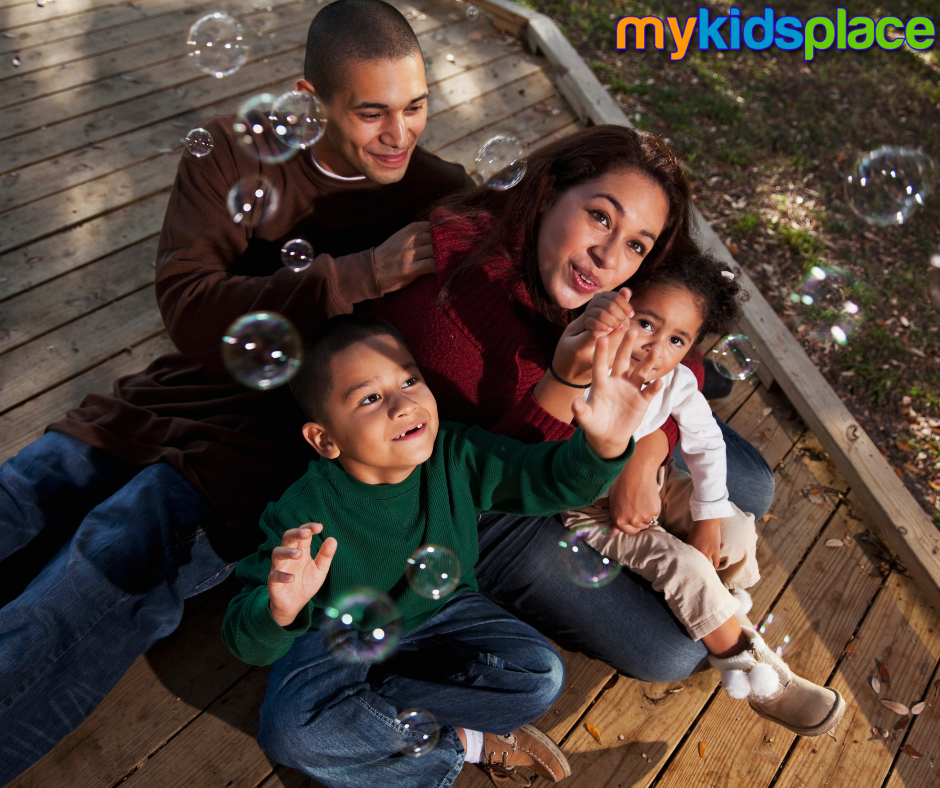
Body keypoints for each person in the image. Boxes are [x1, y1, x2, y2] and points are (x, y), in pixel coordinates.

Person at [0, 0, 472, 778]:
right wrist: (356, 276)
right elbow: (187, 307)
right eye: (373, 112)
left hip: (256, 457)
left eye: (417, 105)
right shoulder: (231, 152)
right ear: (311, 100)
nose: (401, 134)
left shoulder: (441, 196)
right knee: (21, 495)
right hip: (161, 401)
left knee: (93, 572)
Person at [369, 125, 776, 681]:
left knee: (753, 483)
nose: (609, 256)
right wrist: (563, 381)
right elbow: (477, 481)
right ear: (547, 193)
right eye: (600, 216)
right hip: (490, 500)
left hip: (603, 439)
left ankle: (674, 561)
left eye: (637, 243)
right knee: (671, 655)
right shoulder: (447, 315)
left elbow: (687, 358)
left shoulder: (620, 280)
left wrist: (646, 449)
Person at [223, 313, 664, 786]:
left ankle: (361, 716)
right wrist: (279, 611)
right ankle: (465, 743)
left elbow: (546, 479)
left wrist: (603, 445)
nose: (403, 404)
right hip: (336, 633)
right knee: (289, 734)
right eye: (370, 397)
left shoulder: (456, 453)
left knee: (541, 677)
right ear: (324, 439)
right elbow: (245, 639)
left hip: (441, 610)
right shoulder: (302, 512)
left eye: (409, 380)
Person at [563, 254, 844, 737]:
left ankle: (726, 606)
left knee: (735, 526)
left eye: (677, 340)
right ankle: (758, 676)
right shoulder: (586, 364)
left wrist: (707, 516)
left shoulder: (678, 381)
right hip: (591, 508)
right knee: (686, 565)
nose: (655, 349)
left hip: (655, 483)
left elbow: (707, 443)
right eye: (645, 324)